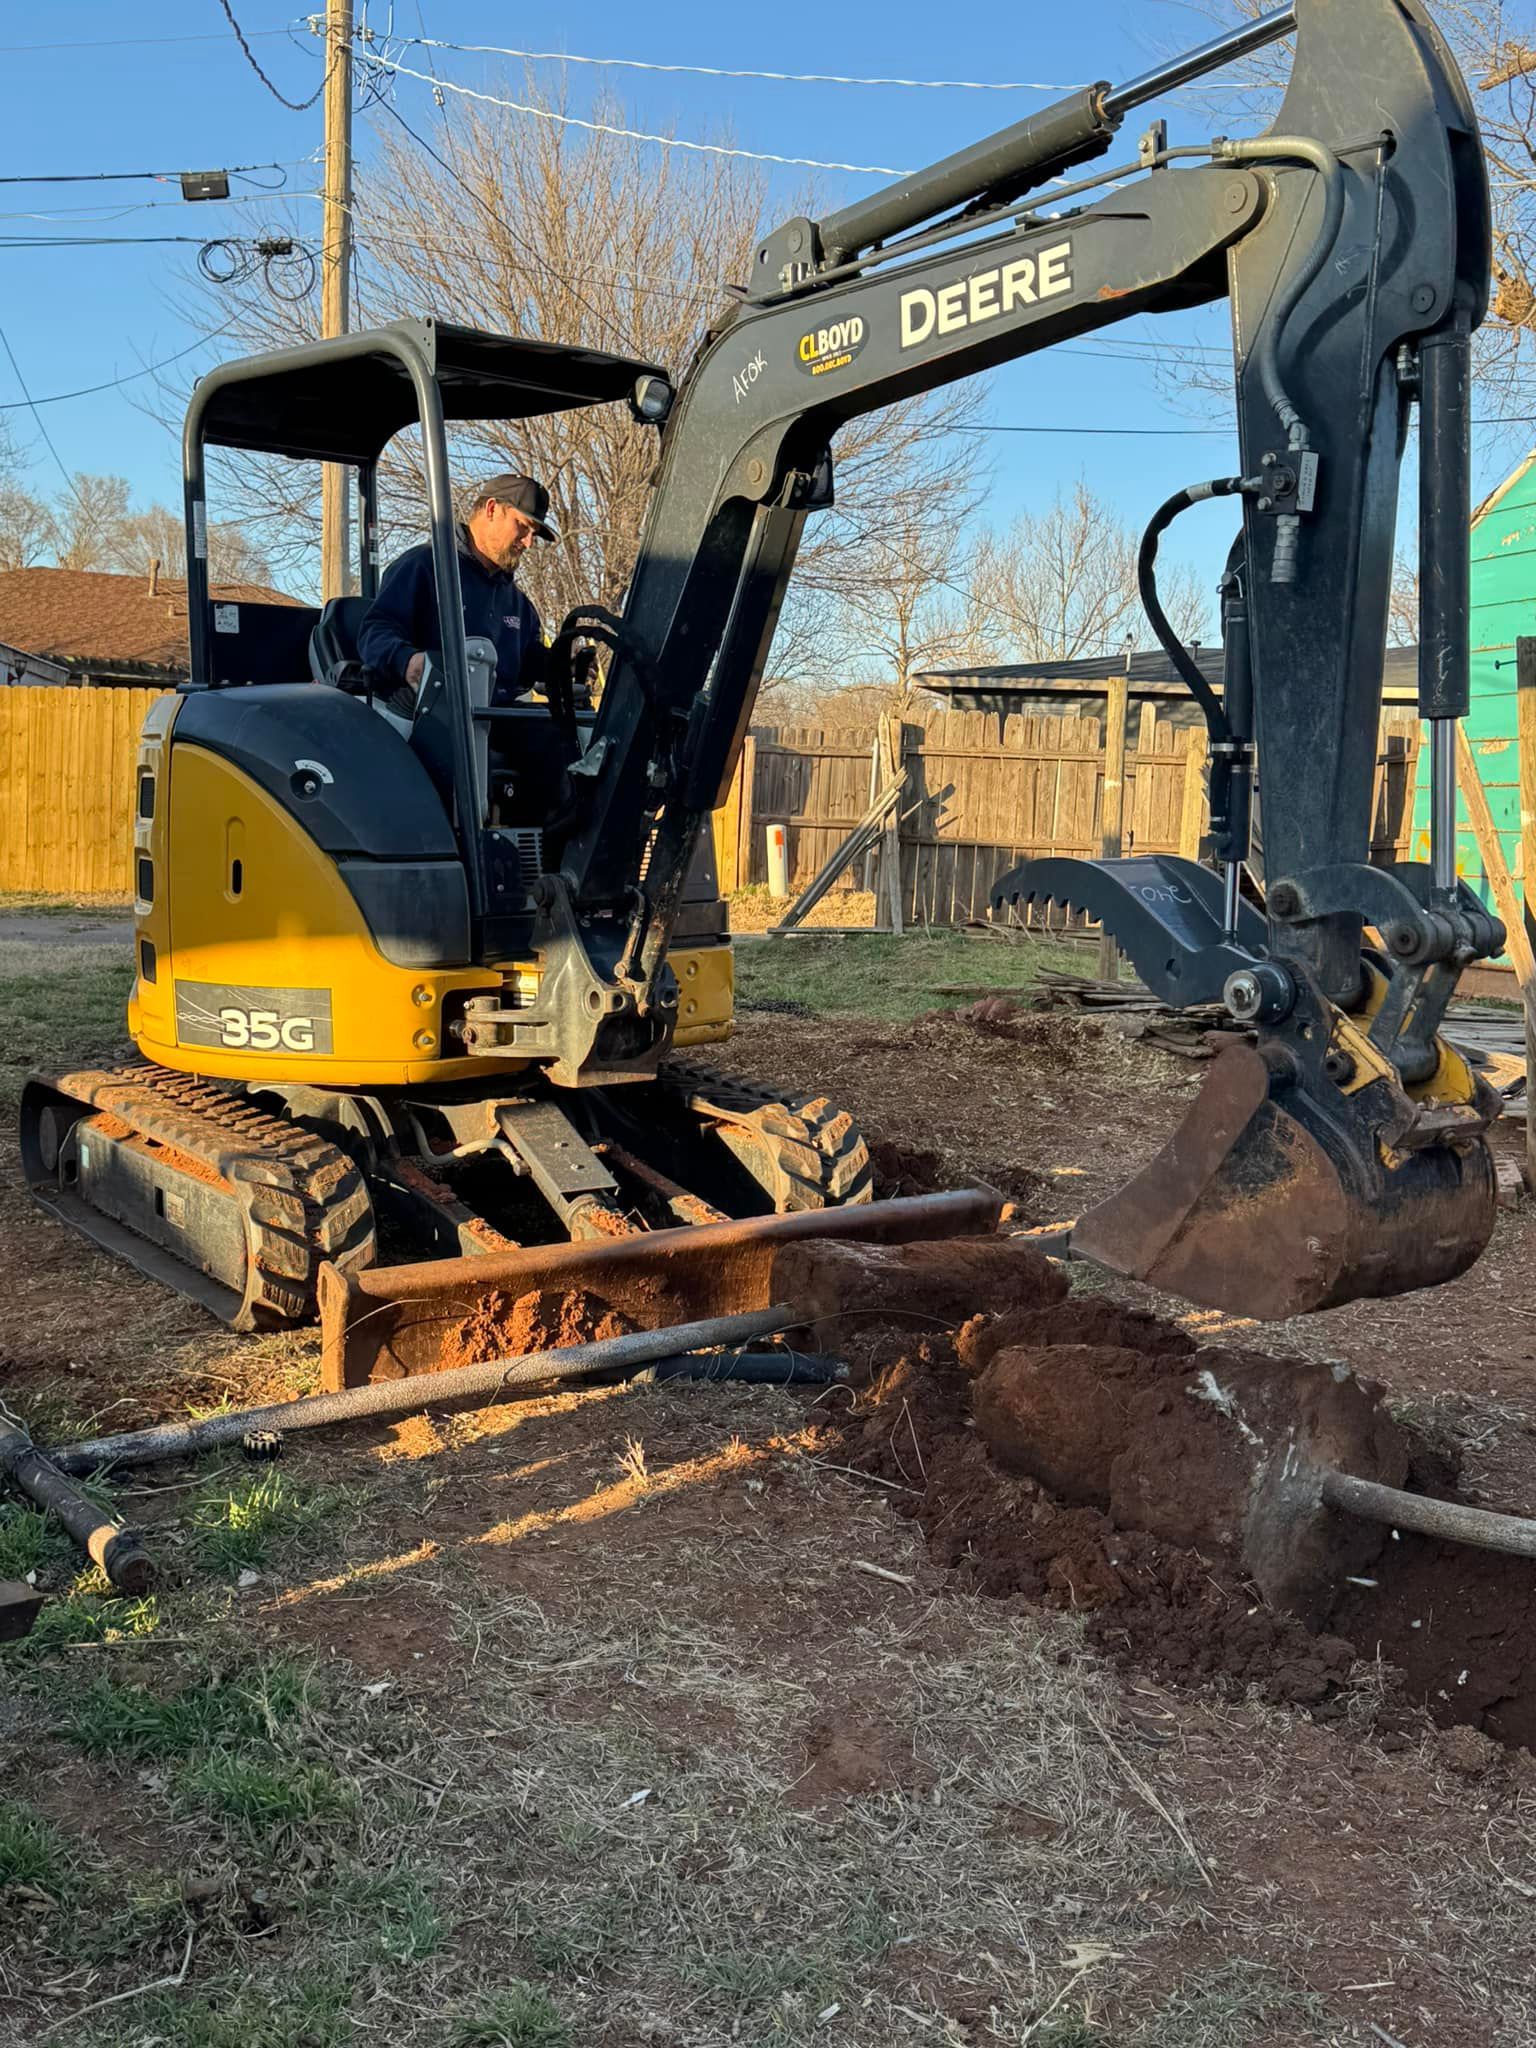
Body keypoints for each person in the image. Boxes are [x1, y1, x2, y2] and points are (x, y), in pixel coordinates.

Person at [358, 472, 554, 705]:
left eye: (534, 535)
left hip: (496, 719)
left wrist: (560, 664)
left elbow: (524, 664)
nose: (529, 542)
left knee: (570, 733)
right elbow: (374, 632)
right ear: (491, 509)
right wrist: (408, 661)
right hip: (432, 716)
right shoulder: (424, 567)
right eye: (522, 526)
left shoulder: (517, 603)